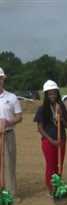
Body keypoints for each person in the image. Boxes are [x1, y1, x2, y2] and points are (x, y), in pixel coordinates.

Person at [34, 80, 67, 194]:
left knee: (59, 165)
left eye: (54, 93)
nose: (52, 96)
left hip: (62, 140)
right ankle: (51, 188)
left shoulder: (61, 106)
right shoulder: (42, 109)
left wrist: (60, 116)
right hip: (48, 142)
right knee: (51, 165)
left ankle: (58, 185)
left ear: (57, 93)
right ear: (46, 95)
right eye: (49, 94)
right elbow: (40, 128)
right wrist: (52, 140)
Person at [0, 67, 22, 197]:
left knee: (9, 165)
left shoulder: (12, 97)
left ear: (3, 79)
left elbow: (19, 116)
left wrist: (9, 122)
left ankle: (10, 195)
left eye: (0, 79)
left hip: (8, 134)